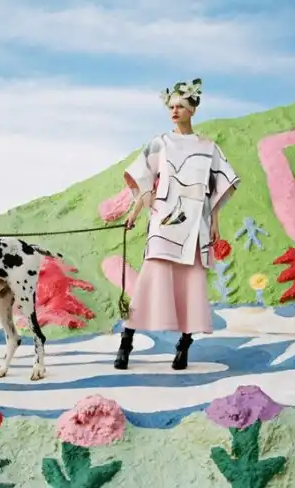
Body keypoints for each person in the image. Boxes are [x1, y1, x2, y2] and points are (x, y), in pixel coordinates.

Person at [114, 78, 240, 371]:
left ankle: (184, 345)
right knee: (148, 282)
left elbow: (215, 187)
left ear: (193, 109)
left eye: (180, 106)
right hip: (164, 221)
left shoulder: (208, 147)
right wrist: (134, 213)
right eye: (171, 106)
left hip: (196, 225)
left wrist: (215, 222)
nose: (174, 111)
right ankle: (126, 341)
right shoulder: (161, 142)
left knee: (192, 285)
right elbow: (144, 179)